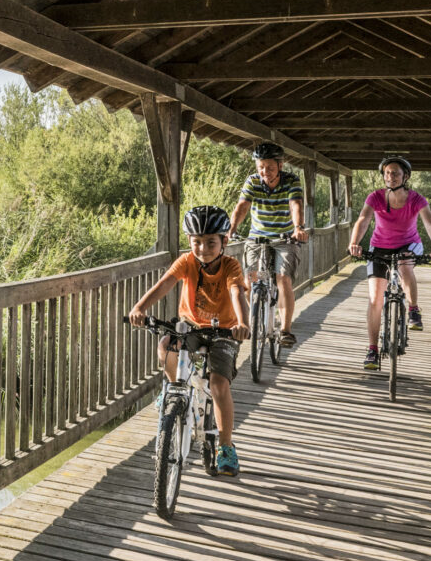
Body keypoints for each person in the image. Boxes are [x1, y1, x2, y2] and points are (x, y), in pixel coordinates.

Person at [129, 206, 251, 477]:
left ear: (223, 242)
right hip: (191, 326)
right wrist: (140, 308)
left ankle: (226, 445)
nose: (203, 248)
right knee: (165, 346)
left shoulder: (230, 266)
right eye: (196, 242)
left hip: (225, 330)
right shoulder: (186, 261)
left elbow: (236, 293)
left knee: (218, 384)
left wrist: (243, 324)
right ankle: (173, 388)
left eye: (210, 242)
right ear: (189, 242)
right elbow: (164, 283)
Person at [347, 155, 431, 370]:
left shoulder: (416, 199)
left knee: (403, 265)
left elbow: (430, 224)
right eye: (387, 173)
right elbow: (363, 220)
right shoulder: (375, 197)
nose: (390, 177)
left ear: (405, 177)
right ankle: (372, 349)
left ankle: (413, 309)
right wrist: (354, 243)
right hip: (379, 247)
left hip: (408, 245)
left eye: (395, 173)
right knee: (375, 299)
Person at [228, 142, 308, 347]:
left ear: (280, 166)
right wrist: (232, 228)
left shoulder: (291, 181)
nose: (265, 172)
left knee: (283, 279)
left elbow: (295, 204)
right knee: (249, 282)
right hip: (257, 236)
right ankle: (257, 314)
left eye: (270, 167)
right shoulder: (253, 181)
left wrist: (298, 227)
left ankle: (285, 330)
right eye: (260, 167)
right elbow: (242, 206)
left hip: (284, 238)